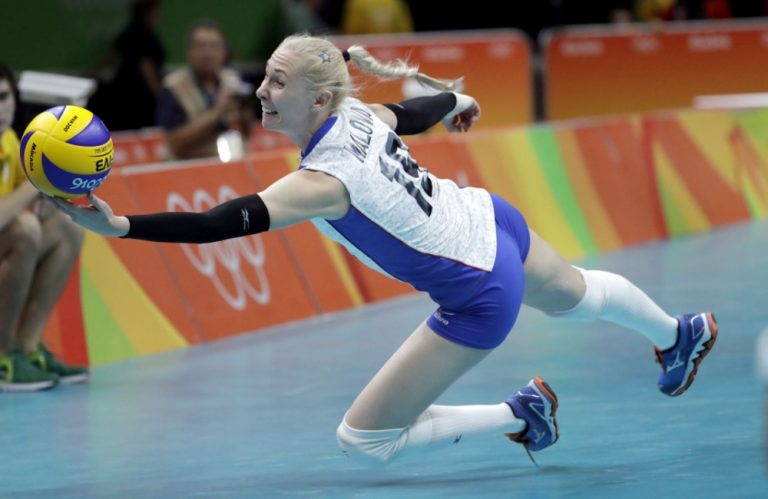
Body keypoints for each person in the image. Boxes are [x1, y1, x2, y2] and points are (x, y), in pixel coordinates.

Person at [53, 35, 718, 463]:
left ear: (318, 98)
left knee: (363, 439)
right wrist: (456, 98)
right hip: (492, 220)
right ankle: (676, 333)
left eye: (277, 82)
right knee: (579, 295)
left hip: (478, 291)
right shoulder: (355, 116)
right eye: (266, 77)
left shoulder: (321, 182)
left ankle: (519, 412)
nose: (260, 89)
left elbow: (215, 223)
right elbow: (413, 115)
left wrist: (122, 227)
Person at [0, 62, 89, 392]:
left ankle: (28, 348)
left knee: (67, 227)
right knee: (25, 229)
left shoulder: (9, 141)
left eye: (3, 97)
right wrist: (38, 179)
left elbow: (36, 204)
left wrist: (62, 160)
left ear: (15, 98)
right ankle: (2, 355)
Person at [156, 19, 250, 160]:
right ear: (189, 51)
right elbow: (175, 143)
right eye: (201, 46)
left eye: (214, 46)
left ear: (224, 51)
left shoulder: (233, 79)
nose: (208, 53)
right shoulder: (173, 86)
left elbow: (246, 129)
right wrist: (218, 111)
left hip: (230, 161)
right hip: (189, 165)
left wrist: (244, 112)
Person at [89, 0, 165, 131]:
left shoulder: (129, 31)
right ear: (149, 13)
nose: (160, 14)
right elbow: (146, 68)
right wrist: (159, 95)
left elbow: (109, 57)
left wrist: (92, 74)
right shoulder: (142, 35)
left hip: (123, 91)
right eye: (157, 11)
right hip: (139, 95)